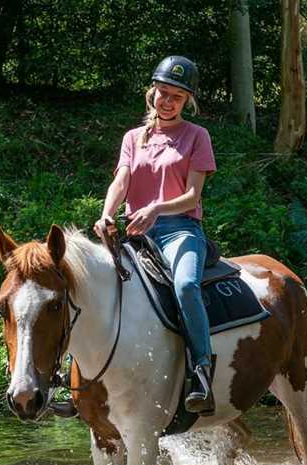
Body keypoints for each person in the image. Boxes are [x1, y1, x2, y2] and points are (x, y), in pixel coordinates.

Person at [93, 55, 217, 415]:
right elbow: (122, 180)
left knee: (186, 287)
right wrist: (106, 213)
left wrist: (156, 209)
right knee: (90, 287)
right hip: (135, 232)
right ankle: (78, 385)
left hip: (180, 230)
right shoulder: (133, 137)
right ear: (152, 93)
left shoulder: (197, 136)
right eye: (163, 92)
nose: (168, 101)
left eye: (176, 96)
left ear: (186, 102)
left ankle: (201, 372)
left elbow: (193, 196)